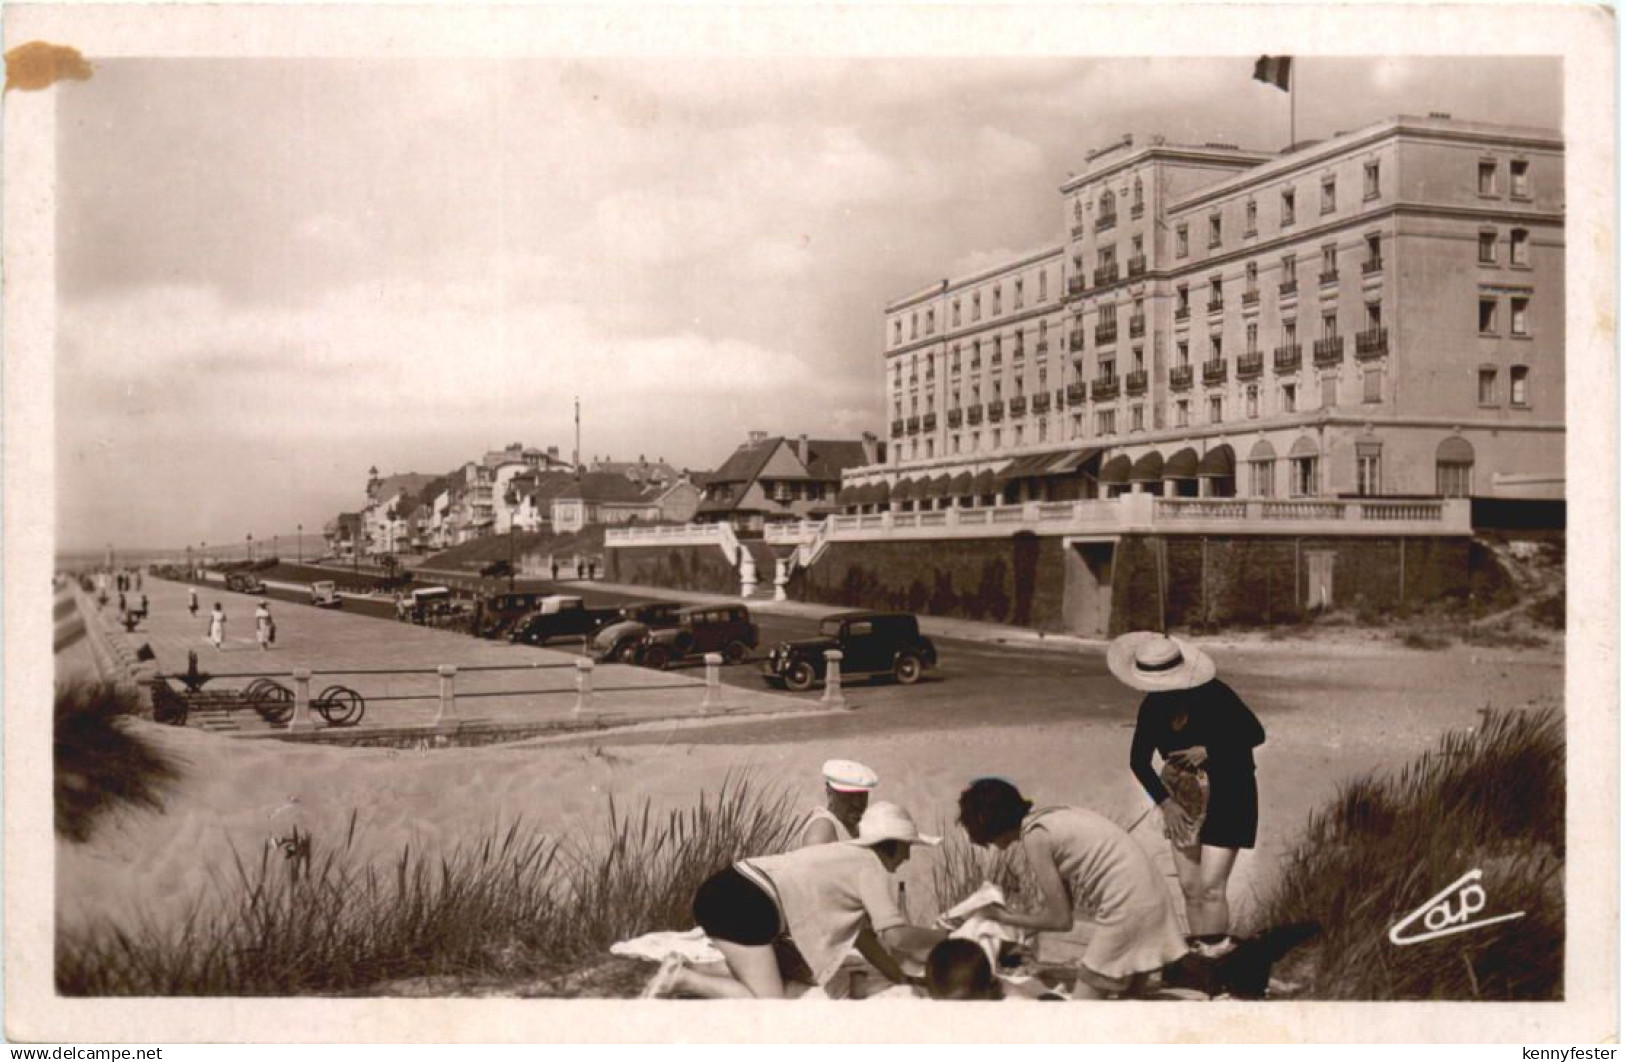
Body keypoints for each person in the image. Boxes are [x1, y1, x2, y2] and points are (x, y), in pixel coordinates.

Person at [647, 801, 947, 999]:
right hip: (749, 902)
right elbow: (895, 936)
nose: (907, 856)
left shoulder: (845, 855)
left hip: (729, 885)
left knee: (768, 971)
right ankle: (682, 979)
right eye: (907, 847)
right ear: (890, 844)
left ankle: (693, 969)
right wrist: (946, 939)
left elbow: (862, 936)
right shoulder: (871, 868)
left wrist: (898, 977)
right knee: (772, 1007)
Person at [956, 778, 1188, 999]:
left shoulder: (1035, 838)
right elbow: (1065, 910)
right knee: (1128, 1000)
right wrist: (1025, 930)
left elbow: (1060, 920)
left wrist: (1001, 917)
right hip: (1151, 899)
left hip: (1127, 907)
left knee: (1082, 1005)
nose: (992, 847)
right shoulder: (1052, 817)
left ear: (991, 823)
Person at [1109, 631, 1265, 958]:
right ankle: (1201, 959)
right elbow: (1138, 761)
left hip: (1232, 791)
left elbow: (1255, 732)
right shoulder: (1151, 707)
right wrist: (1165, 805)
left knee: (1211, 888)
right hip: (1181, 797)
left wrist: (1210, 749)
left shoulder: (1215, 694)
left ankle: (1217, 957)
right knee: (1191, 889)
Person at [796, 759, 878, 848]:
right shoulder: (822, 830)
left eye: (862, 795)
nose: (857, 803)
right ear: (830, 793)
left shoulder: (855, 828)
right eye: (849, 795)